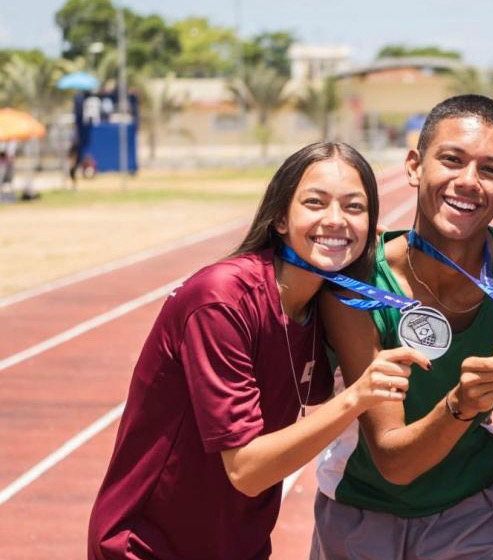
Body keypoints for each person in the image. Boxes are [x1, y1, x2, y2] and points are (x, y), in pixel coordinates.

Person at [88, 141, 428, 560]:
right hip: (150, 546)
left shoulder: (322, 302)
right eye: (315, 203)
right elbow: (247, 471)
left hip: (238, 544)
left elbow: (315, 389)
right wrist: (358, 397)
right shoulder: (221, 300)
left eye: (354, 208)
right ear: (281, 218)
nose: (335, 220)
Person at [311, 94, 493, 560]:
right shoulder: (357, 285)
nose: (468, 182)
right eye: (452, 160)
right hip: (361, 507)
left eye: (490, 170)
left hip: (471, 505)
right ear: (415, 165)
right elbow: (394, 462)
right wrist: (462, 403)